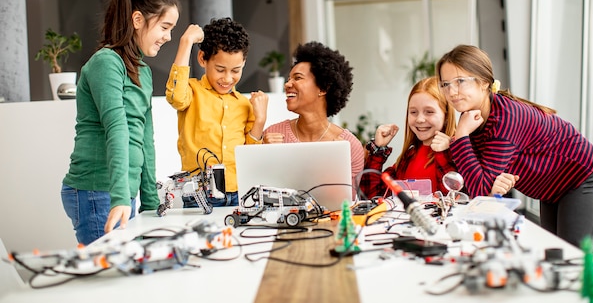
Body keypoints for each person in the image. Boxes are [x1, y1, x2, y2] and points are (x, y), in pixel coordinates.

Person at [436, 44, 593, 247]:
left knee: (573, 257)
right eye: (446, 84)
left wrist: (461, 136)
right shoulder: (475, 117)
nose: (452, 92)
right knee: (554, 254)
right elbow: (480, 180)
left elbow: (481, 190)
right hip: (551, 186)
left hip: (581, 176)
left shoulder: (503, 119)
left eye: (460, 82)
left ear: (483, 83)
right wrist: (458, 140)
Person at [61, 0, 181, 245]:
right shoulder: (106, 63)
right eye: (164, 26)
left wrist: (150, 199)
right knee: (108, 280)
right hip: (96, 191)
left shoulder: (143, 72)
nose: (169, 36)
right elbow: (117, 128)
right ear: (138, 20)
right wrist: (119, 196)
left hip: (120, 191)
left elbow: (144, 138)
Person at [165, 17, 268, 207]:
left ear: (244, 63)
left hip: (239, 193)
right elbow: (176, 97)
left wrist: (260, 120)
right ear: (202, 58)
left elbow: (250, 157)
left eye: (236, 70)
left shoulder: (244, 105)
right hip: (199, 194)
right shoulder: (191, 92)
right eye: (220, 69)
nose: (227, 78)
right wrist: (186, 42)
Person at [263, 41, 364, 194]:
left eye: (297, 78)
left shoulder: (349, 146)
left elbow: (347, 205)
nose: (287, 84)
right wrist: (265, 154)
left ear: (323, 87)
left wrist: (335, 164)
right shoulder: (273, 135)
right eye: (289, 78)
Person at [358, 76, 457, 200]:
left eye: (429, 112)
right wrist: (378, 149)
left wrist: (443, 153)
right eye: (413, 112)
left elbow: (455, 198)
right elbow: (371, 197)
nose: (420, 119)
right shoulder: (407, 157)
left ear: (446, 115)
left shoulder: (458, 152)